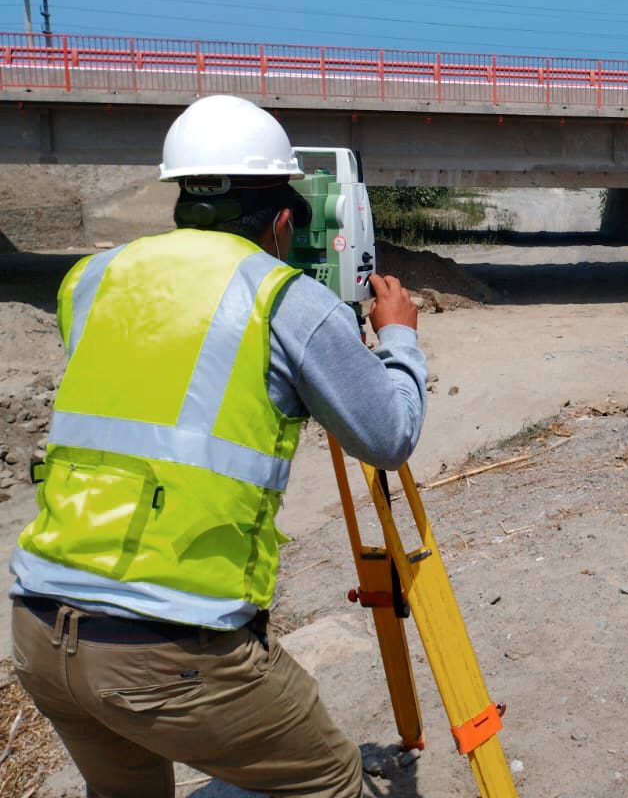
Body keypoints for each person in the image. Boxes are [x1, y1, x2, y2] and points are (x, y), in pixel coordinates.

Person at [9, 95, 429, 798]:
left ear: (180, 199)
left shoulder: (90, 281)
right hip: (170, 647)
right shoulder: (283, 298)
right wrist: (399, 339)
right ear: (285, 219)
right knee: (330, 782)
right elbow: (388, 435)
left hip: (40, 631)